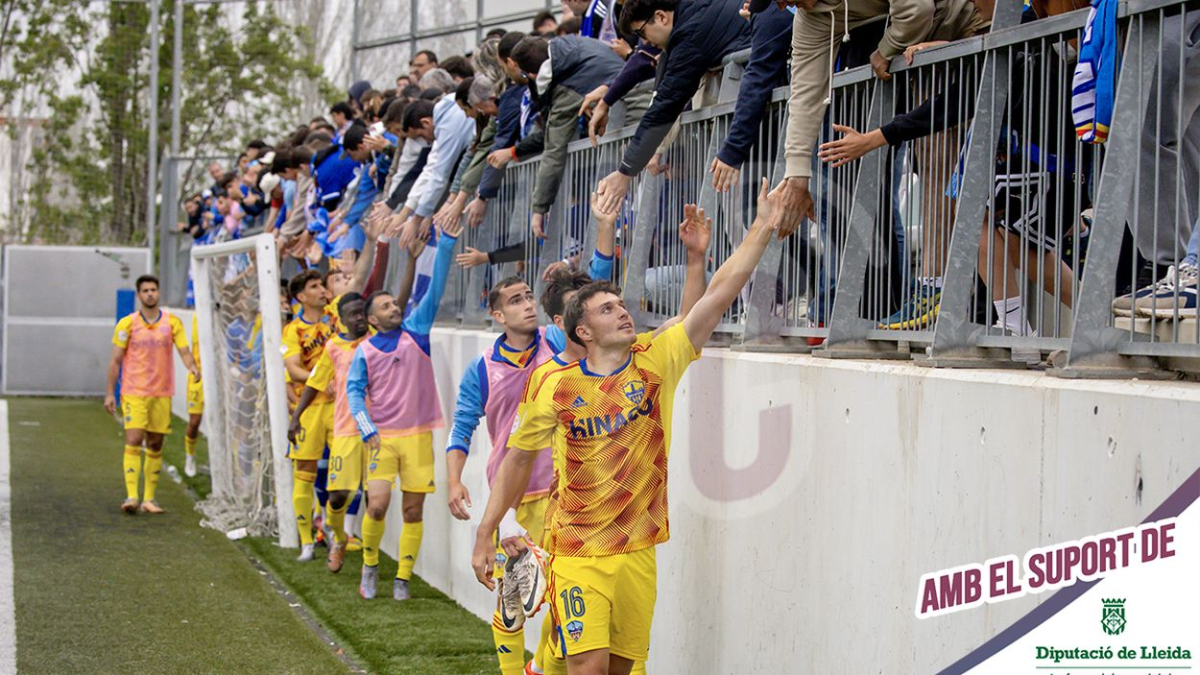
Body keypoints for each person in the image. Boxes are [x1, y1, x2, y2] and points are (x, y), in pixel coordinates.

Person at [346, 217, 463, 601]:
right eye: (385, 305)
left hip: (417, 438)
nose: (394, 307)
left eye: (394, 302)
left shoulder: (417, 332)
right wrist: (367, 429)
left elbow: (435, 288)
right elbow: (354, 392)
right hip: (382, 439)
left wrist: (444, 243)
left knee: (413, 512)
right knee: (377, 504)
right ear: (371, 319)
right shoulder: (363, 351)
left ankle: (403, 578)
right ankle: (369, 563)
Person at [286, 245, 419, 573]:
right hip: (342, 424)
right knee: (336, 496)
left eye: (364, 313)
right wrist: (296, 416)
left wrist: (385, 245)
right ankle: (334, 534)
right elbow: (313, 380)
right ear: (341, 318)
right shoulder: (329, 344)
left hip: (377, 431)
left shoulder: (374, 337)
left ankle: (370, 560)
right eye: (355, 314)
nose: (360, 317)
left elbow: (377, 284)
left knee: (376, 497)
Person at [591, 0, 793, 212]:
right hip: (775, 109)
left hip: (782, 105)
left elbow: (665, 106)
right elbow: (665, 81)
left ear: (661, 17)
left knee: (763, 210)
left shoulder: (690, 33)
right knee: (760, 211)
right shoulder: (690, 16)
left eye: (641, 33)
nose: (645, 43)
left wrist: (625, 172)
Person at [509, 34, 629, 237]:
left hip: (634, 117)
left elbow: (554, 151)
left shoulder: (566, 88)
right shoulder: (573, 43)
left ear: (531, 74)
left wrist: (539, 208)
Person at [104, 275, 198, 515]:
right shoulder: (127, 324)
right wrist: (109, 393)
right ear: (138, 295)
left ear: (158, 293)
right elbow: (115, 360)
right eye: (145, 290)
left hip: (161, 392)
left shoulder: (172, 323)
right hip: (134, 391)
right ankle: (132, 496)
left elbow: (184, 351)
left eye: (153, 290)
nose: (149, 294)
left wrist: (193, 367)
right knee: (134, 440)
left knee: (155, 443)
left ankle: (149, 499)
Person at [282, 270, 336, 562]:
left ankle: (333, 530)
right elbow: (293, 369)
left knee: (341, 473)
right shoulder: (293, 330)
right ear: (302, 297)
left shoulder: (336, 316)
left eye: (321, 285)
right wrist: (321, 381)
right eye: (315, 287)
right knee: (304, 471)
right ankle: (306, 541)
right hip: (310, 407)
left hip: (339, 406)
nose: (321, 290)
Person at [183, 315, 203, 478]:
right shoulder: (199, 316)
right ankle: (190, 455)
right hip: (199, 376)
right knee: (195, 421)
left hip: (222, 376)